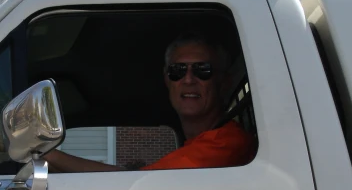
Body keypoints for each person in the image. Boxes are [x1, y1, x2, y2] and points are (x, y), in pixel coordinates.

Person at [43, 32, 256, 172]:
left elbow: (137, 184)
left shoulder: (227, 142)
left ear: (224, 82)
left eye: (203, 70)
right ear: (167, 80)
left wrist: (48, 154)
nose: (188, 79)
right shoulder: (199, 144)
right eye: (177, 71)